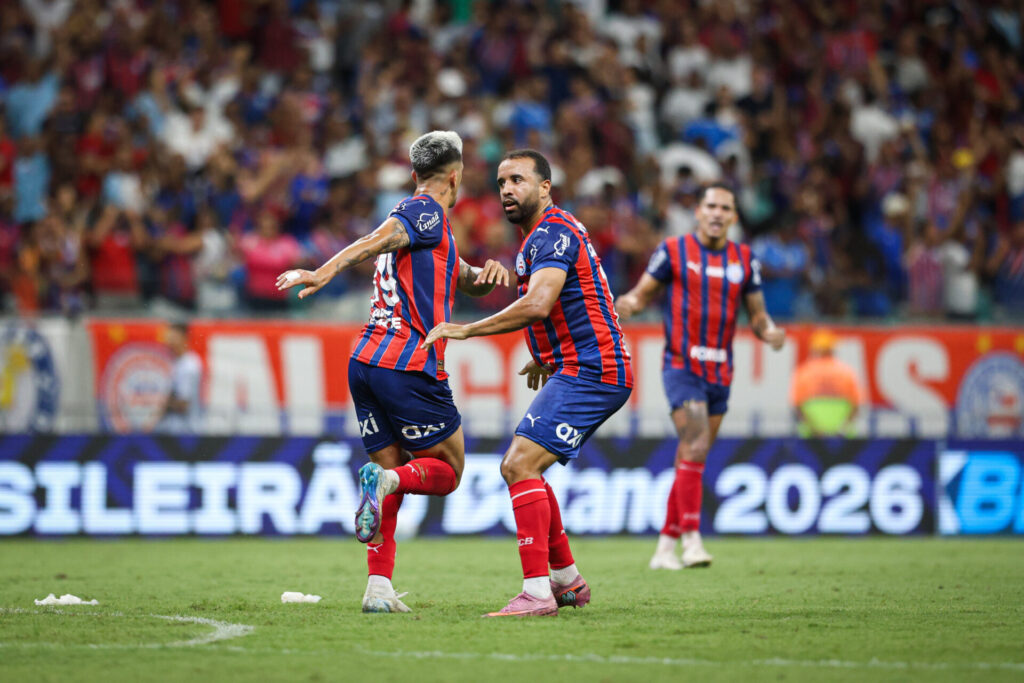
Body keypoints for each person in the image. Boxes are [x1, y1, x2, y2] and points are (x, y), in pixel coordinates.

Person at [277, 131, 510, 613]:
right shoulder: (425, 211)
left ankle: (378, 590)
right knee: (447, 473)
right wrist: (323, 272)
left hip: (365, 362)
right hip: (408, 362)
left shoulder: (430, 228)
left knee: (393, 473)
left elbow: (455, 273)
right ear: (456, 175)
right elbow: (374, 240)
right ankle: (384, 485)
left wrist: (480, 275)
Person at [422, 149, 633, 617]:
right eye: (501, 183)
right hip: (579, 366)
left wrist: (468, 328)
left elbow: (539, 303)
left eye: (518, 180)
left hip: (593, 369)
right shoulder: (538, 238)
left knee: (518, 464)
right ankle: (566, 581)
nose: (506, 190)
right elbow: (569, 304)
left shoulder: (553, 233)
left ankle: (538, 593)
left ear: (545, 187)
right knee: (526, 465)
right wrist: (544, 356)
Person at [616, 183, 785, 570]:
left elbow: (757, 314)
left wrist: (769, 331)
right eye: (710, 205)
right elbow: (642, 294)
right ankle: (692, 540)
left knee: (692, 456)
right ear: (698, 212)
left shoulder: (744, 259)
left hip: (721, 370)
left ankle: (663, 548)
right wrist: (630, 303)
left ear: (734, 217)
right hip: (681, 365)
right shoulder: (673, 251)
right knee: (694, 443)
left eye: (725, 207)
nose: (716, 213)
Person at [790, 329, 864, 437]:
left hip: (810, 437)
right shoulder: (847, 372)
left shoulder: (804, 372)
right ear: (833, 350)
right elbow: (856, 406)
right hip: (843, 438)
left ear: (814, 350)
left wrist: (815, 431)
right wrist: (841, 430)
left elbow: (797, 407)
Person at [155, 321, 203, 434]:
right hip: (174, 431)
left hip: (185, 432)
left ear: (183, 338)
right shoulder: (178, 363)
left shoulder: (189, 365)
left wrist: (164, 405)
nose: (169, 342)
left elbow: (183, 403)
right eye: (168, 338)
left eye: (173, 338)